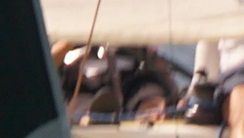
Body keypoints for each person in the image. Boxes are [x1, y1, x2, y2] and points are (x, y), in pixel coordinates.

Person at [53, 41, 189, 125]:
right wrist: (71, 39)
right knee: (82, 105)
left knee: (149, 94)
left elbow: (158, 65)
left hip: (131, 78)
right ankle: (94, 121)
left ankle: (154, 116)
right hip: (84, 86)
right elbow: (47, 63)